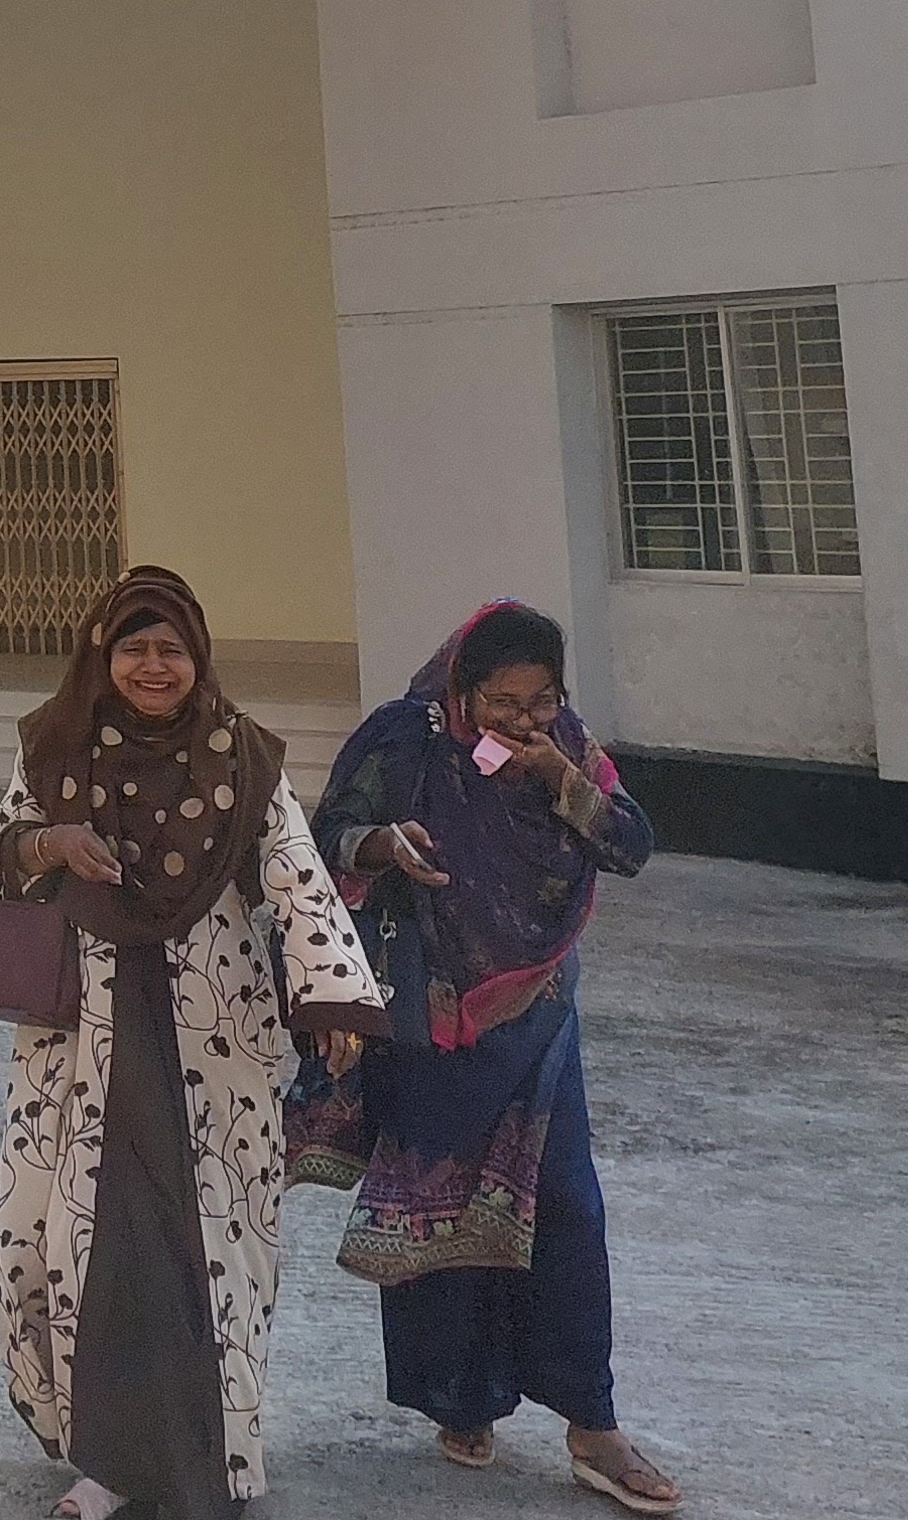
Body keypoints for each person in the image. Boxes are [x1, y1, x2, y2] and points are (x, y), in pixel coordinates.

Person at [0, 565, 389, 1519]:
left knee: (213, 1245)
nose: (154, 666)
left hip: (215, 1036)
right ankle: (108, 1463)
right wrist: (54, 843)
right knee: (73, 1241)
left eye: (172, 648)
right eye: (134, 647)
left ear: (199, 657)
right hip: (80, 1035)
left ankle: (219, 1459)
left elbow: (293, 870)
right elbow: (6, 852)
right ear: (103, 655)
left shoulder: (241, 755)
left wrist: (333, 997)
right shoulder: (55, 745)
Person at [286, 600, 678, 1512]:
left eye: (542, 700)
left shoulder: (567, 748)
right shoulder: (403, 740)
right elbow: (322, 836)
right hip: (427, 1022)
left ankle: (593, 1423)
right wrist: (383, 845)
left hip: (536, 1019)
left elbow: (632, 845)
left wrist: (563, 781)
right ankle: (461, 1401)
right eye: (504, 703)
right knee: (438, 1214)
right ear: (463, 691)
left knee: (568, 1211)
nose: (525, 720)